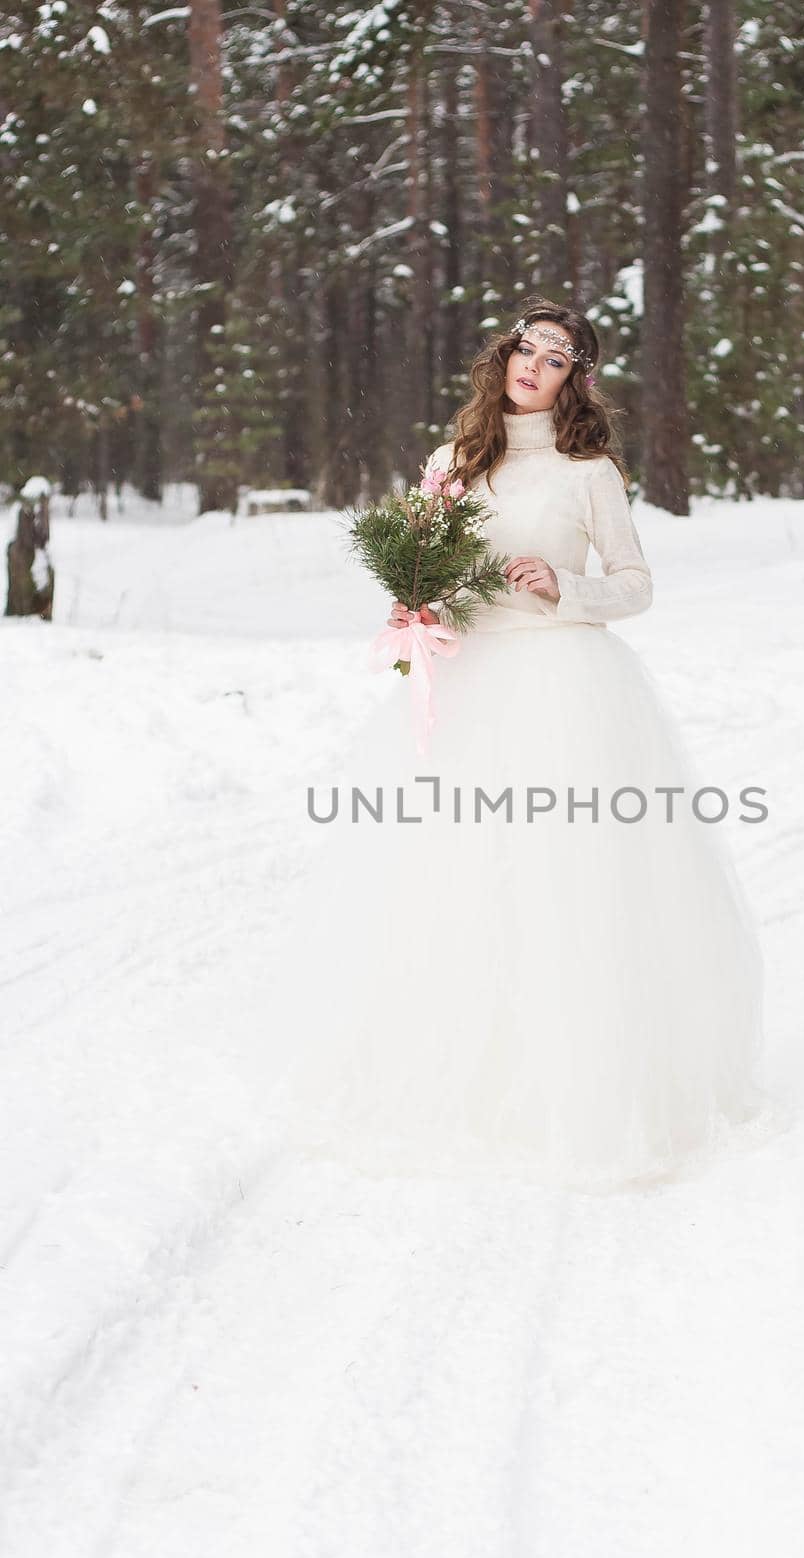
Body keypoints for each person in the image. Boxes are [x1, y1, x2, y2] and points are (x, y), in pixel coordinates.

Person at [260, 299, 768, 1195]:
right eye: (526, 348)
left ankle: (575, 1094)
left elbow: (636, 587)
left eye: (558, 357)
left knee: (563, 885)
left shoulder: (587, 471)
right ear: (503, 358)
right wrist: (413, 607)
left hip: (563, 684)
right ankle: (450, 1083)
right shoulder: (449, 463)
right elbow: (426, 571)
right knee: (451, 880)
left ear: (575, 379)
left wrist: (563, 584)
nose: (535, 364)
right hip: (467, 684)